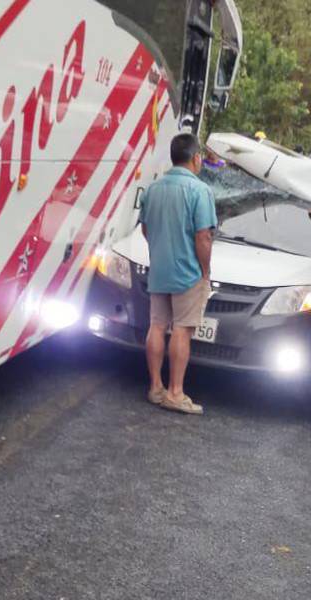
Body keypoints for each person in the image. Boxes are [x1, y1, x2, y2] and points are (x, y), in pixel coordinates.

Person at [139, 133, 217, 415]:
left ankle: (156, 387)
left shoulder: (153, 189)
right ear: (196, 158)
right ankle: (176, 392)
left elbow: (146, 229)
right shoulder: (200, 191)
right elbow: (203, 236)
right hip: (188, 272)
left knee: (157, 326)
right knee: (182, 330)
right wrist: (205, 271)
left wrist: (160, 251)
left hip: (159, 269)